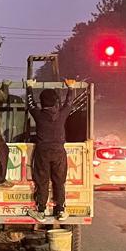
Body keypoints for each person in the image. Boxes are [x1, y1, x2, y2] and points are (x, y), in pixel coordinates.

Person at [25, 79, 78, 219]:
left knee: (42, 180)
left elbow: (30, 104)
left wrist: (29, 87)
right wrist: (71, 87)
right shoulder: (61, 114)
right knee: (59, 181)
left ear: (42, 102)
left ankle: (41, 211)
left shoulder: (39, 115)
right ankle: (60, 210)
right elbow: (69, 103)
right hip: (58, 151)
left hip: (43, 152)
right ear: (55, 101)